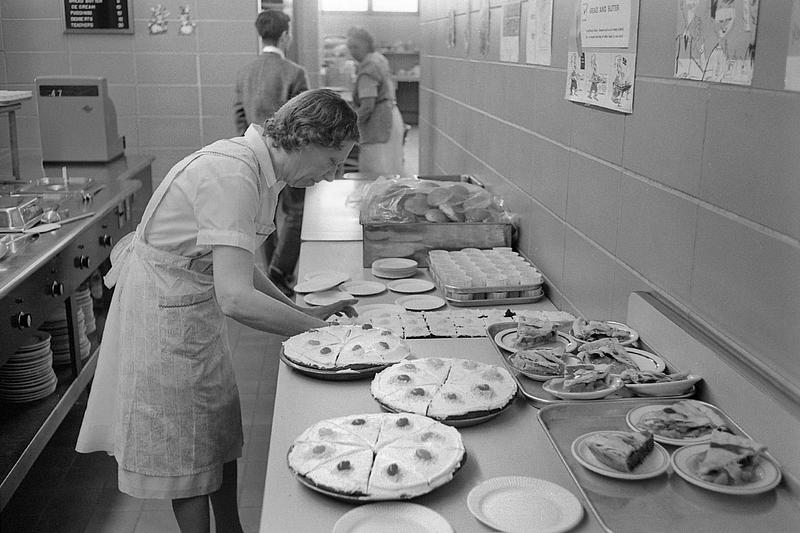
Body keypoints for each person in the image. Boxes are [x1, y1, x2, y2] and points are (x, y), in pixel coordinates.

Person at [76, 89, 359, 533]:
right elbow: (235, 297)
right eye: (333, 161)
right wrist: (319, 333)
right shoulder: (234, 175)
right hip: (164, 320)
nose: (333, 174)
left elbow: (240, 267)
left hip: (189, 307)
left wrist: (300, 314)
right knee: (185, 454)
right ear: (305, 138)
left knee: (215, 435)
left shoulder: (262, 171)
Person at [234, 9, 310, 297]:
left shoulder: (245, 71)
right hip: (291, 155)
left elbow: (239, 114)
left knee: (264, 214)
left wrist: (249, 146)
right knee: (294, 211)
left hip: (256, 151)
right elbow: (306, 121)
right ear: (285, 36)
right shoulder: (294, 72)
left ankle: (269, 271)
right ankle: (281, 272)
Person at [346, 26, 405, 176]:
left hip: (378, 123)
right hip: (390, 115)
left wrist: (346, 125)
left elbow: (367, 107)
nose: (352, 52)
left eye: (355, 47)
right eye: (349, 47)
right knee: (392, 167)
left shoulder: (368, 68)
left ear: (367, 45)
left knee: (376, 171)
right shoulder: (378, 58)